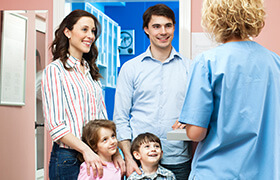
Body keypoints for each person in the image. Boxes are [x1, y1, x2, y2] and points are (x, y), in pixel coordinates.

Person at [179, 0, 280, 179]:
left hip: (217, 172)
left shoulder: (207, 62)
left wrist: (189, 122)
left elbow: (195, 133)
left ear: (214, 18)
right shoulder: (275, 62)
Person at [41, 9, 124, 180]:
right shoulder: (55, 71)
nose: (90, 36)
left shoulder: (91, 72)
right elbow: (56, 126)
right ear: (68, 32)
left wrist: (114, 152)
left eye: (93, 31)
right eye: (84, 29)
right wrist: (85, 150)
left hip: (97, 154)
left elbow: (102, 119)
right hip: (68, 159)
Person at [113, 4, 192, 180]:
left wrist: (190, 120)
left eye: (168, 25)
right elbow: (121, 118)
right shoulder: (130, 68)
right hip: (139, 162)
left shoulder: (191, 68)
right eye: (156, 26)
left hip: (178, 160)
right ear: (146, 29)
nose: (163, 31)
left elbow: (200, 111)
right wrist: (128, 157)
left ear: (174, 27)